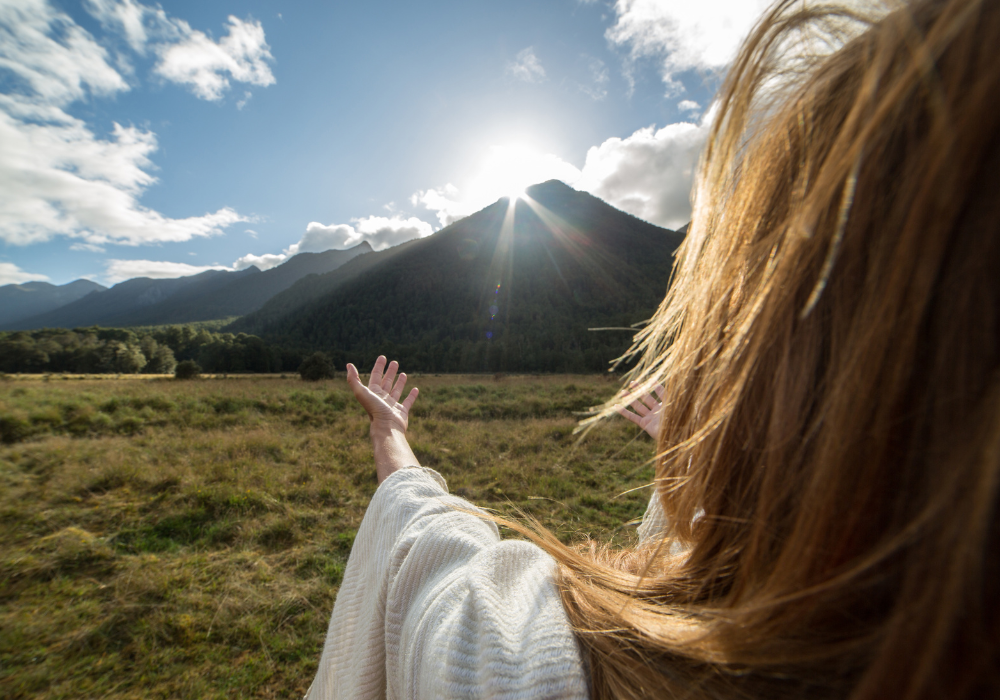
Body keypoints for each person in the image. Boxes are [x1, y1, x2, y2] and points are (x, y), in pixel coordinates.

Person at [306, 0, 1000, 697]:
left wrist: (392, 440)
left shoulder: (544, 666)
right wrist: (689, 452)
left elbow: (427, 558)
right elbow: (713, 531)